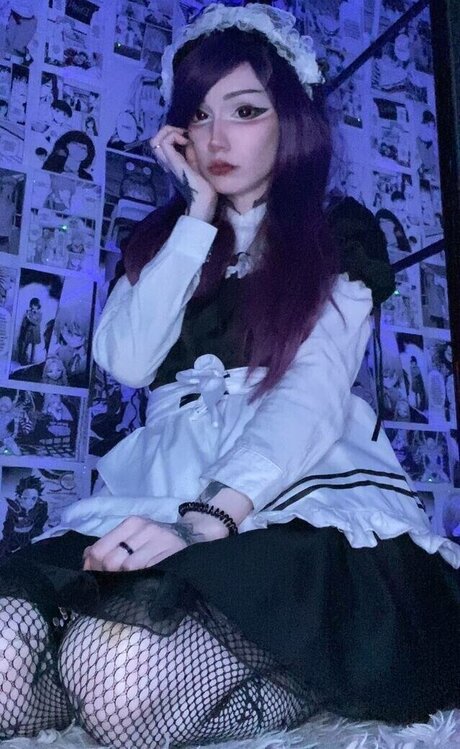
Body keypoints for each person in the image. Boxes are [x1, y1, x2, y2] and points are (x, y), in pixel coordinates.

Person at [0, 4, 459, 748]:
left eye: (245, 111)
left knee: (118, 681)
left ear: (291, 121)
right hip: (163, 476)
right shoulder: (164, 240)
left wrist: (205, 519)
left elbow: (314, 387)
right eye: (199, 114)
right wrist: (196, 215)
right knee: (4, 654)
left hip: (286, 484)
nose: (216, 138)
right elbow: (125, 360)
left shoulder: (337, 230)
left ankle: (302, 676)